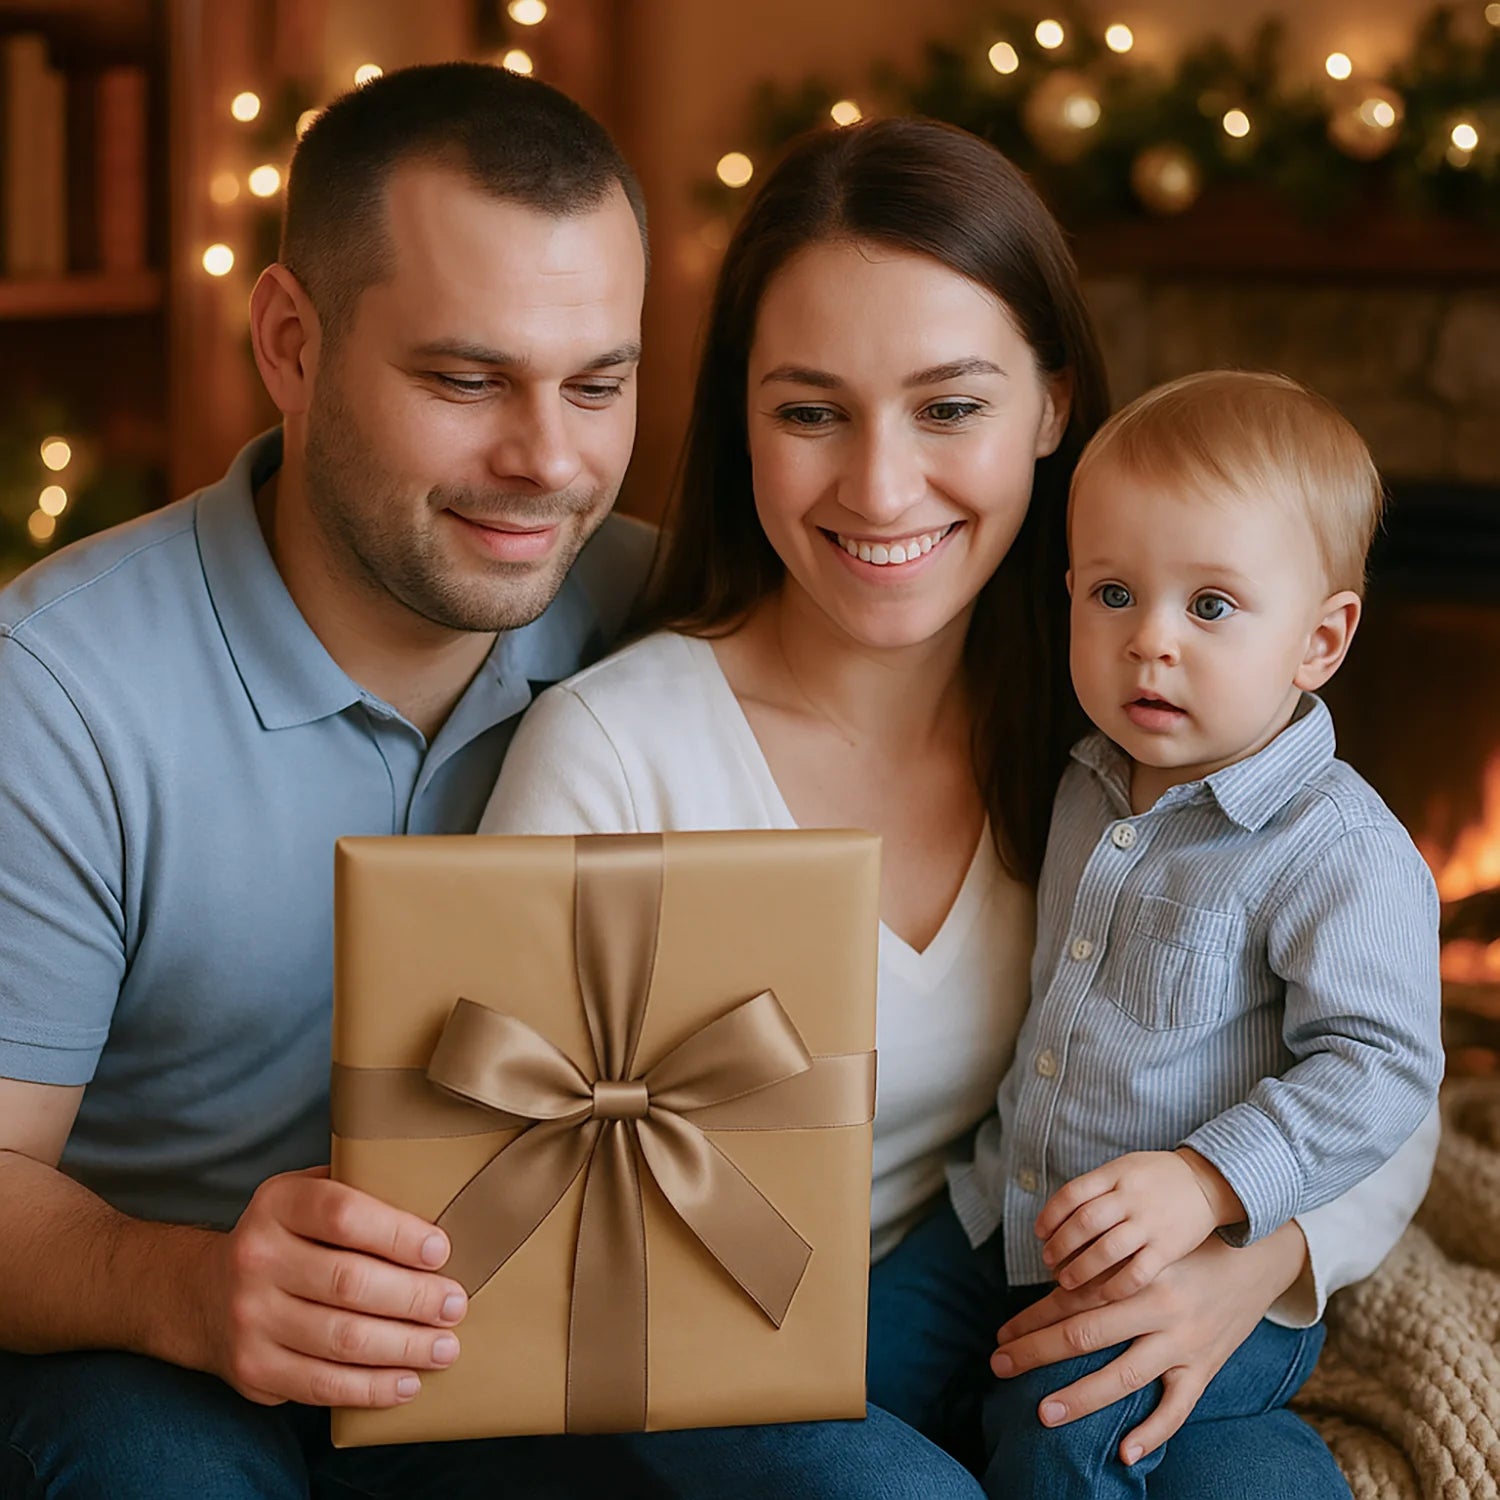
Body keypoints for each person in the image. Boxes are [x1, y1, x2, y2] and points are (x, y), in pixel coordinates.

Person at [481, 118, 1440, 1498]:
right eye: (809, 411)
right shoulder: (614, 754)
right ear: (737, 419)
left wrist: (1256, 1263)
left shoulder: (1121, 722)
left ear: (1053, 406)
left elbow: (1385, 1076)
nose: (880, 487)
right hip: (718, 1371)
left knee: (1269, 1483)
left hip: (1095, 1289)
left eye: (949, 407)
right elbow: (516, 1214)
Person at [0, 62, 676, 1499]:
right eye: (465, 377)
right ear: (291, 343)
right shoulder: (53, 688)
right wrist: (188, 1291)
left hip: (511, 1343)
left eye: (597, 385)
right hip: (139, 1350)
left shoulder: (669, 620)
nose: (546, 461)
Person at [957, 369, 1443, 1498]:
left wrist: (1208, 1181)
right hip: (1004, 1209)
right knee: (858, 1359)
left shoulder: (1339, 851)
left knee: (1060, 1435)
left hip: (1198, 1256)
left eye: (1211, 606)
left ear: (1320, 641)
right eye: (1114, 595)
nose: (1149, 644)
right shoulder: (1083, 778)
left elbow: (1383, 1067)